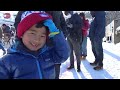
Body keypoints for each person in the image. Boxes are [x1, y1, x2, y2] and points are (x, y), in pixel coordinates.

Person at [0, 12, 70, 79]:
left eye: (42, 36)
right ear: (21, 34)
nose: (37, 40)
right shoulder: (8, 61)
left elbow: (63, 55)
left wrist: (55, 33)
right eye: (32, 33)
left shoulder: (48, 54)